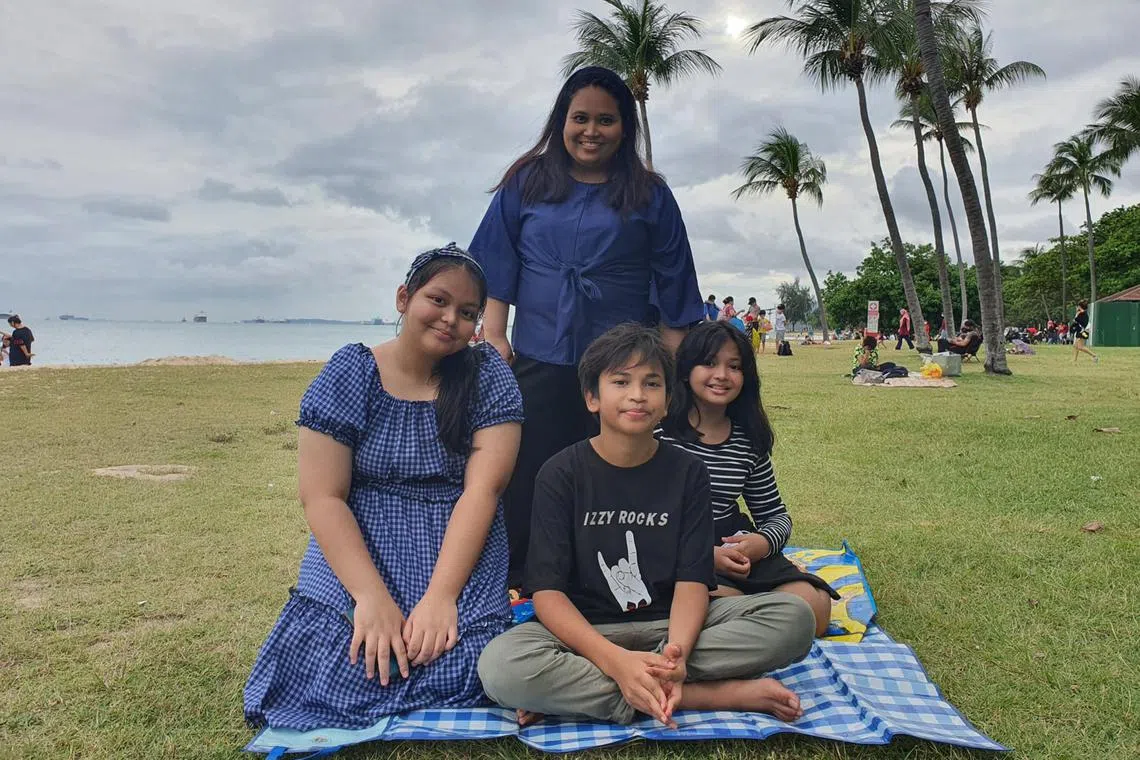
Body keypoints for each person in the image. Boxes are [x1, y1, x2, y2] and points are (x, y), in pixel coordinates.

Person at [244, 245, 525, 731]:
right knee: (344, 657)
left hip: (454, 539)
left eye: (467, 312)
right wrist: (369, 598)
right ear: (403, 298)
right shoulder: (351, 372)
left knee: (472, 657)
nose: (450, 319)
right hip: (365, 537)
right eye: (438, 300)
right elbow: (323, 496)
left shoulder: (487, 375)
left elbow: (482, 491)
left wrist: (441, 597)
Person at [478, 324, 815, 728]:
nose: (637, 395)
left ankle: (603, 689)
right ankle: (704, 695)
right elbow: (548, 594)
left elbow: (693, 582)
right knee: (500, 666)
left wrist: (678, 653)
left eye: (652, 383)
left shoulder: (688, 472)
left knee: (794, 619)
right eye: (621, 382)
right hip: (586, 632)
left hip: (671, 624)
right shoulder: (560, 473)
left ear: (668, 400)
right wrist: (614, 662)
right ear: (592, 397)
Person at [468, 66, 704, 588]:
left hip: (622, 363)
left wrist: (668, 372)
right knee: (528, 466)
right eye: (580, 118)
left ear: (624, 128)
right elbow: (497, 261)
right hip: (537, 354)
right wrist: (496, 336)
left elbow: (675, 282)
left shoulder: (649, 193)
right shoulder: (526, 181)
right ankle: (523, 575)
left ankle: (613, 575)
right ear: (562, 120)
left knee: (615, 470)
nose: (591, 131)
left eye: (605, 120)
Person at [657, 322, 837, 635]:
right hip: (675, 548)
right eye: (709, 363)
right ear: (685, 370)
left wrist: (762, 543)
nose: (722, 375)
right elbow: (637, 523)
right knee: (722, 606)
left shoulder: (748, 441)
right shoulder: (659, 435)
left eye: (734, 366)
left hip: (737, 548)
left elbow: (775, 515)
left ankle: (758, 620)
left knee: (815, 608)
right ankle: (757, 622)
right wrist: (703, 556)